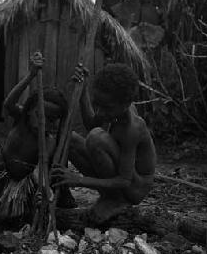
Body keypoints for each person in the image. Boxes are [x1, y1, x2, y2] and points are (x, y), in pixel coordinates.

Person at [0, 51, 73, 228]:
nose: (44, 122)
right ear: (29, 110)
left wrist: (44, 190)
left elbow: (40, 170)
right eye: (40, 115)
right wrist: (31, 74)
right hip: (2, 176)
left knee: (10, 216)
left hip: (22, 186)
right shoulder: (21, 118)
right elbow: (8, 103)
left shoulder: (47, 140)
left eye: (51, 120)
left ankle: (15, 211)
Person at [51, 62, 157, 225]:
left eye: (106, 107)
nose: (100, 111)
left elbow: (124, 180)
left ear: (125, 104)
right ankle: (107, 196)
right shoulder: (113, 109)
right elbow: (93, 124)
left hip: (134, 187)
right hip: (118, 175)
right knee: (69, 138)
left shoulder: (132, 129)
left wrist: (77, 180)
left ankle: (115, 200)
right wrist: (83, 91)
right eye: (96, 104)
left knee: (96, 138)